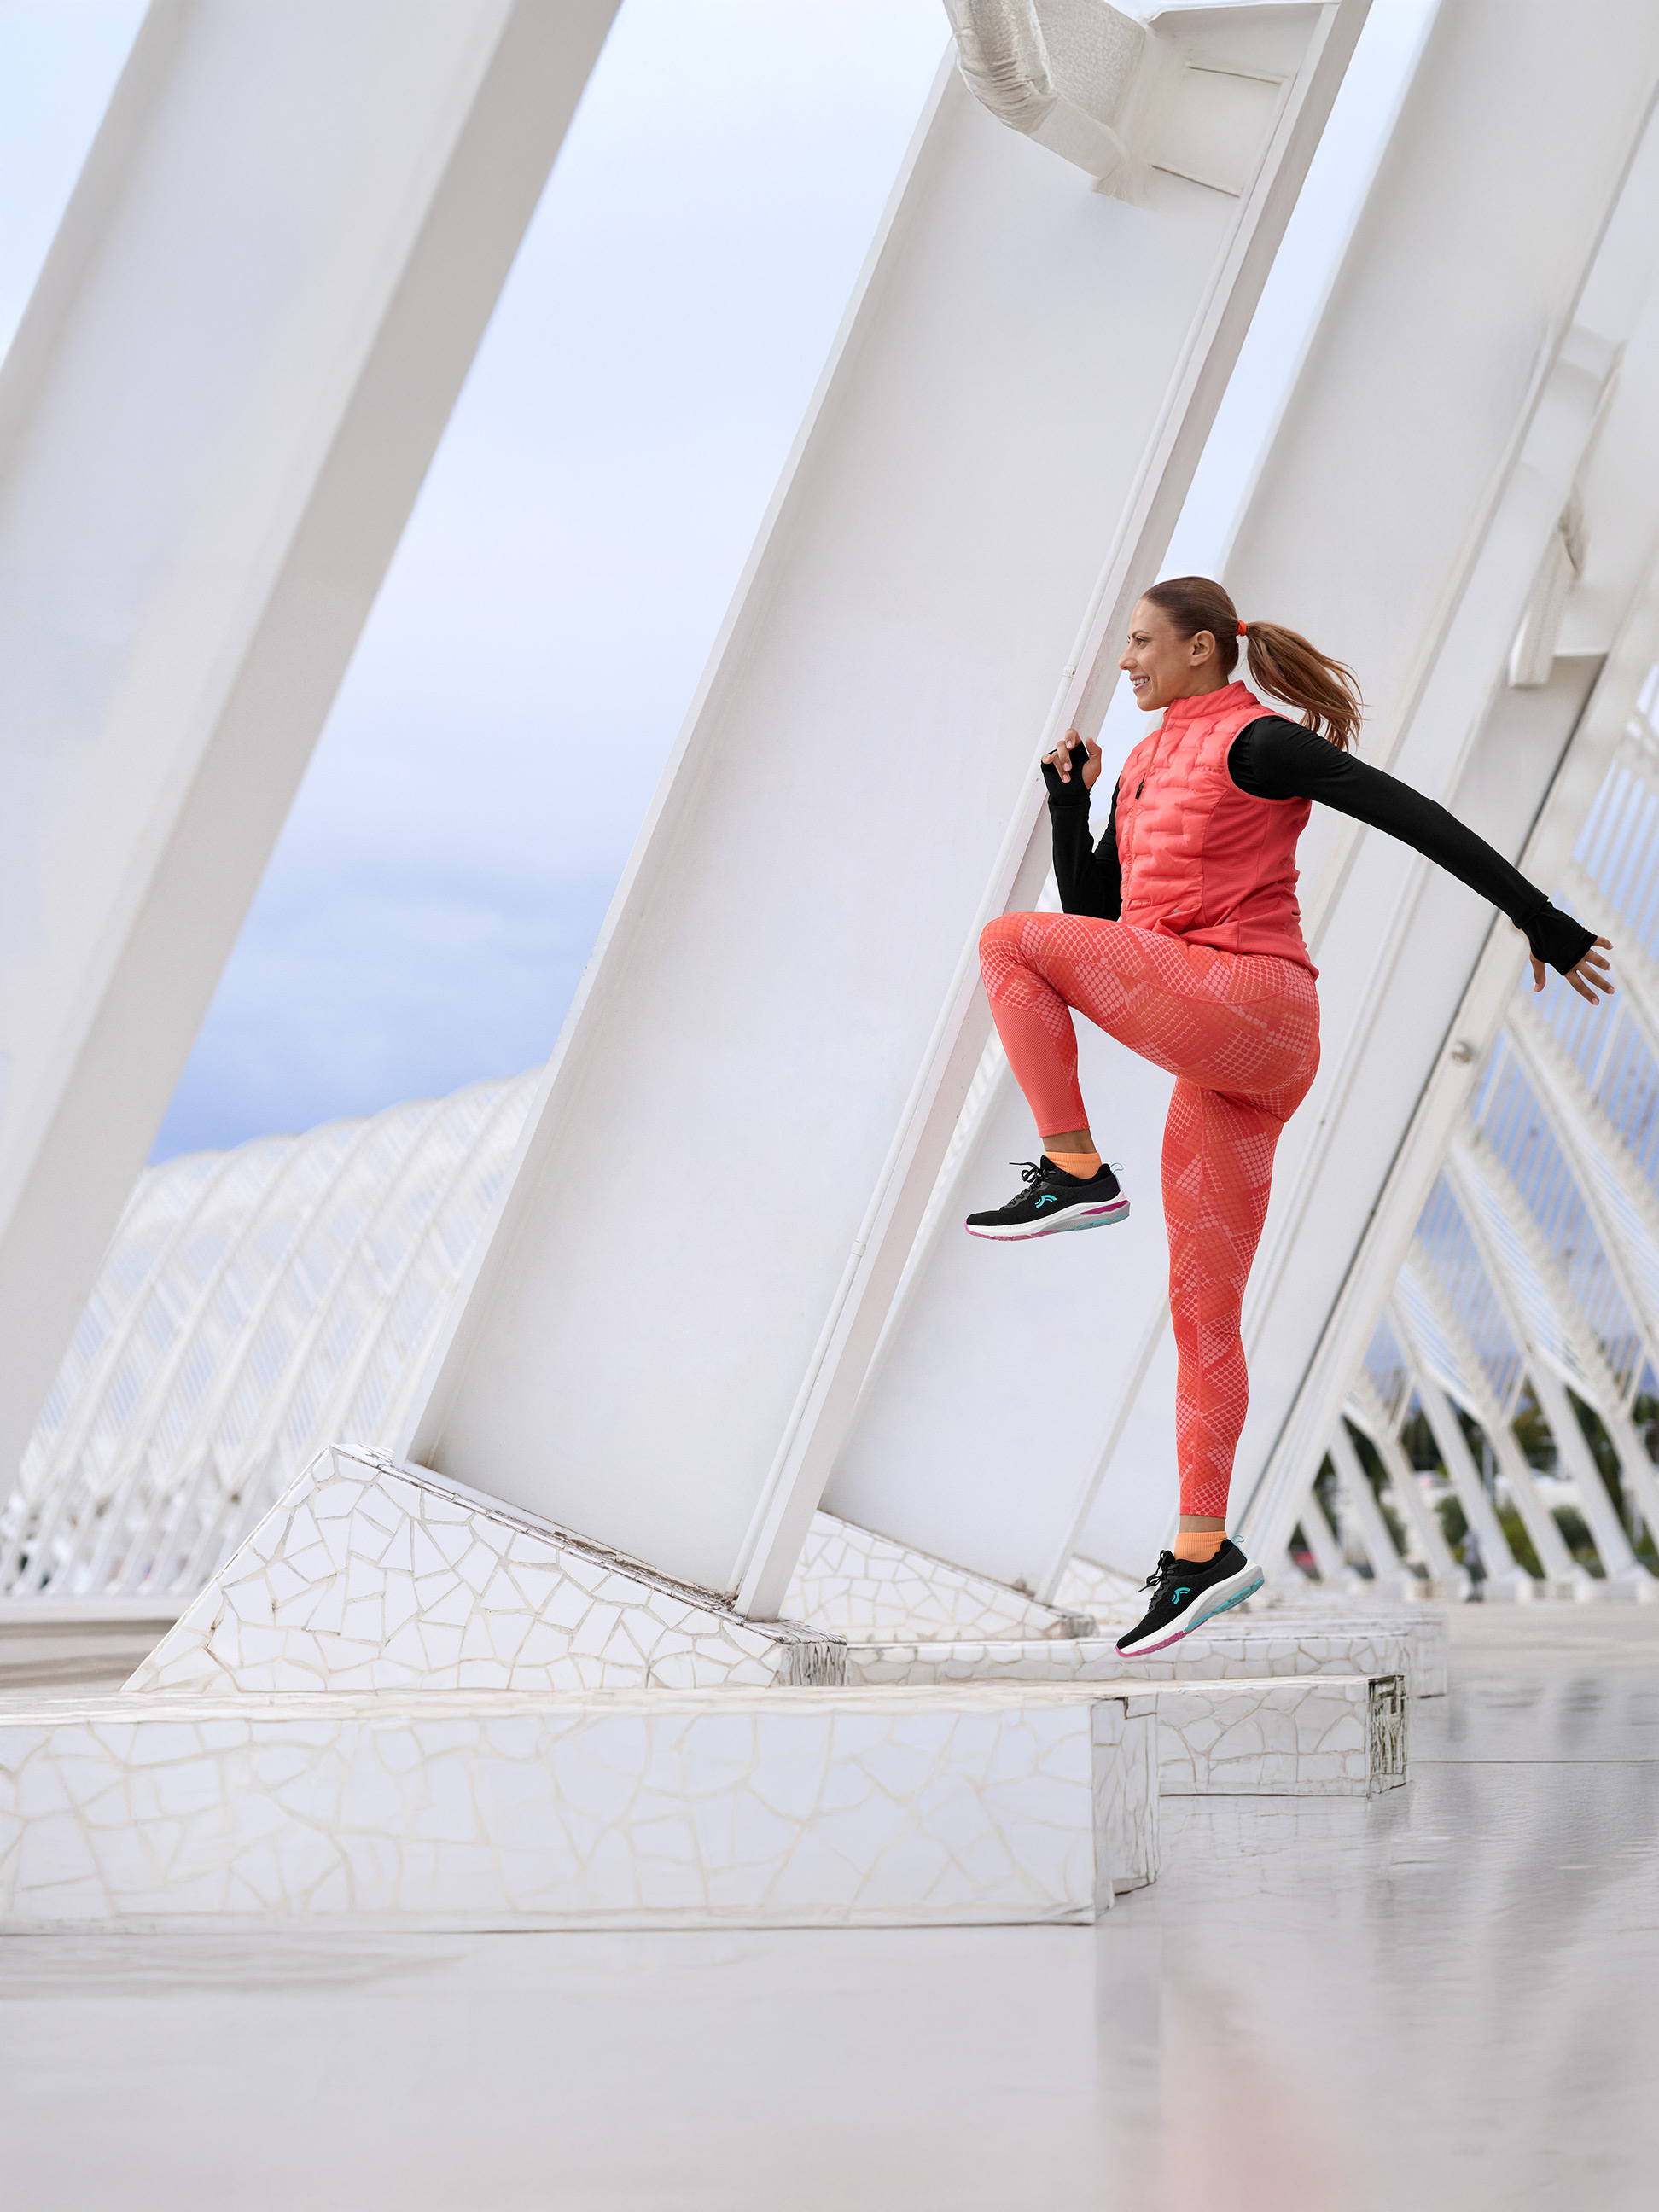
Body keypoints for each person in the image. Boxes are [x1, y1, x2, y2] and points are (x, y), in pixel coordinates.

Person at [965, 576, 1615, 1656]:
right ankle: (1202, 1551)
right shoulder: (1138, 767)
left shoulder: (1256, 746)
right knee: (1201, 1313)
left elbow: (1410, 815)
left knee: (1003, 941)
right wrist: (1070, 801)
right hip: (1220, 1052)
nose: (1125, 660)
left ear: (1205, 651)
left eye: (1141, 643)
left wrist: (1537, 921)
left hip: (1254, 1005)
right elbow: (1099, 928)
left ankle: (1075, 1169)